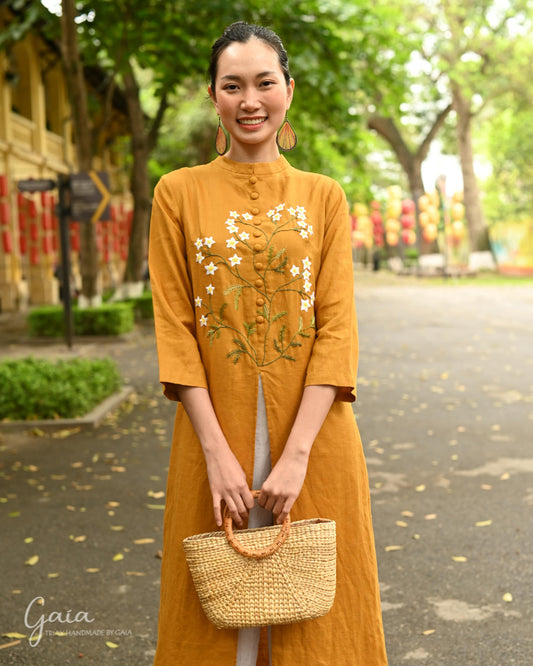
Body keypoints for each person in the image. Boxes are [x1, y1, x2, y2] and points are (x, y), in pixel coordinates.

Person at [149, 21, 387, 665]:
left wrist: (298, 456)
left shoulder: (324, 198)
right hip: (213, 435)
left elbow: (337, 329)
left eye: (264, 82)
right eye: (233, 85)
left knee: (316, 622)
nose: (249, 99)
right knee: (218, 617)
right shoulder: (177, 193)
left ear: (289, 90)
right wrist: (216, 455)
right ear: (213, 96)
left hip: (314, 437)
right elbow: (175, 327)